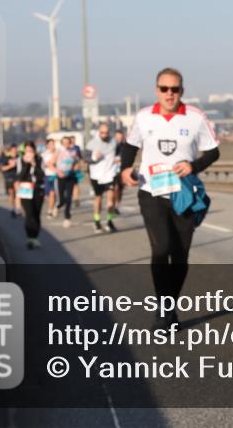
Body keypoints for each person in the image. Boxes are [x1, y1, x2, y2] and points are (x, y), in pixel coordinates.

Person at [119, 68, 220, 329]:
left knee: (180, 254)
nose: (169, 94)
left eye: (174, 89)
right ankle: (163, 307)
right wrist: (125, 169)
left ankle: (169, 306)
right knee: (161, 248)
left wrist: (193, 166)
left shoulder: (196, 118)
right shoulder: (143, 117)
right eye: (164, 89)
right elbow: (130, 146)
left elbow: (213, 152)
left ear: (181, 91)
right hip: (151, 191)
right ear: (156, 90)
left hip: (183, 193)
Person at [87, 122, 119, 233]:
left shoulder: (114, 142)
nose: (104, 135)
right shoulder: (92, 143)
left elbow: (119, 153)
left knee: (111, 198)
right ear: (99, 132)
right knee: (98, 198)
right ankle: (97, 221)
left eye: (106, 133)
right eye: (102, 133)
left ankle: (109, 222)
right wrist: (95, 158)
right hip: (96, 175)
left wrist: (119, 160)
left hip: (110, 174)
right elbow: (86, 158)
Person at [16, 141, 46, 250]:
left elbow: (42, 175)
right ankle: (30, 237)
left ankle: (35, 237)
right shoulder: (20, 160)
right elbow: (20, 176)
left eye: (31, 151)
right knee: (29, 214)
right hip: (25, 189)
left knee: (37, 214)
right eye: (27, 151)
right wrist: (27, 164)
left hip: (38, 189)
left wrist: (34, 164)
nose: (29, 153)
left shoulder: (39, 159)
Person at [55, 136, 79, 227]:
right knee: (61, 199)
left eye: (67, 142)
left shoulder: (73, 151)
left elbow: (77, 162)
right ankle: (57, 206)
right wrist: (58, 171)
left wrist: (75, 167)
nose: (66, 144)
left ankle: (67, 217)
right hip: (60, 177)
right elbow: (50, 163)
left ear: (70, 143)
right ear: (62, 143)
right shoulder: (58, 151)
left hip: (70, 176)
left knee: (69, 197)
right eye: (64, 142)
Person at [0, 144, 20, 217]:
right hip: (9, 177)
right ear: (10, 150)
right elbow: (2, 168)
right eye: (13, 150)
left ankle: (18, 208)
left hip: (18, 177)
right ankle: (12, 208)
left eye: (16, 149)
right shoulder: (5, 157)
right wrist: (11, 166)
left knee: (18, 192)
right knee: (12, 193)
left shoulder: (19, 157)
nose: (15, 151)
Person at [41, 138, 58, 218]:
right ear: (47, 145)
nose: (52, 146)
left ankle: (50, 210)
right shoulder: (44, 154)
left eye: (53, 144)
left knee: (53, 193)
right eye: (50, 144)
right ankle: (53, 206)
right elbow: (46, 164)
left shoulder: (58, 152)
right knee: (49, 194)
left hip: (56, 176)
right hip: (47, 175)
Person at [112, 130, 127, 213]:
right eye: (117, 138)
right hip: (113, 170)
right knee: (115, 188)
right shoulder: (112, 146)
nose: (119, 139)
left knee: (120, 189)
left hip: (122, 170)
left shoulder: (125, 146)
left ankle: (118, 204)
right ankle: (113, 205)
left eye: (121, 138)